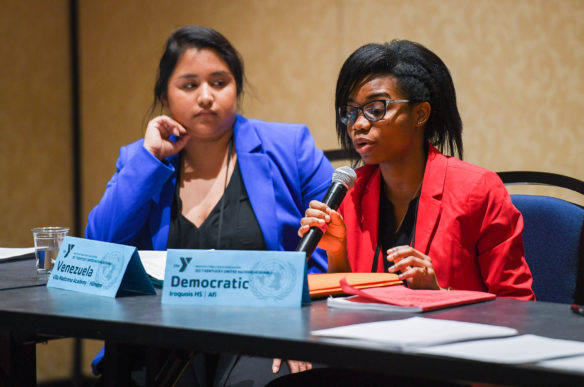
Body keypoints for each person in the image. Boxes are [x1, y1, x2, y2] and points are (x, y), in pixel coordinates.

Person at [86, 25, 333, 386]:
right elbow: (98, 247)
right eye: (189, 85)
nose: (206, 96)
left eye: (219, 82)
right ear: (165, 96)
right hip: (163, 337)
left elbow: (334, 246)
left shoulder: (290, 147)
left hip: (265, 331)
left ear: (237, 87)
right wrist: (150, 159)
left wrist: (300, 326)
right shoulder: (139, 160)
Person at [299, 40, 534, 300]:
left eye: (375, 110)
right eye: (351, 112)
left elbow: (518, 305)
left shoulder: (478, 190)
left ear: (420, 114)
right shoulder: (350, 193)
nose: (359, 124)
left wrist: (437, 294)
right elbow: (344, 303)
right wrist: (336, 252)